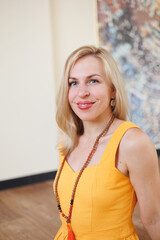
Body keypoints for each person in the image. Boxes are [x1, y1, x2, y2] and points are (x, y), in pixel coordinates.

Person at [53, 45, 160, 240]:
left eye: (93, 81)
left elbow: (154, 220)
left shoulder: (132, 142)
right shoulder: (67, 140)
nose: (82, 92)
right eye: (73, 83)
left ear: (112, 89)